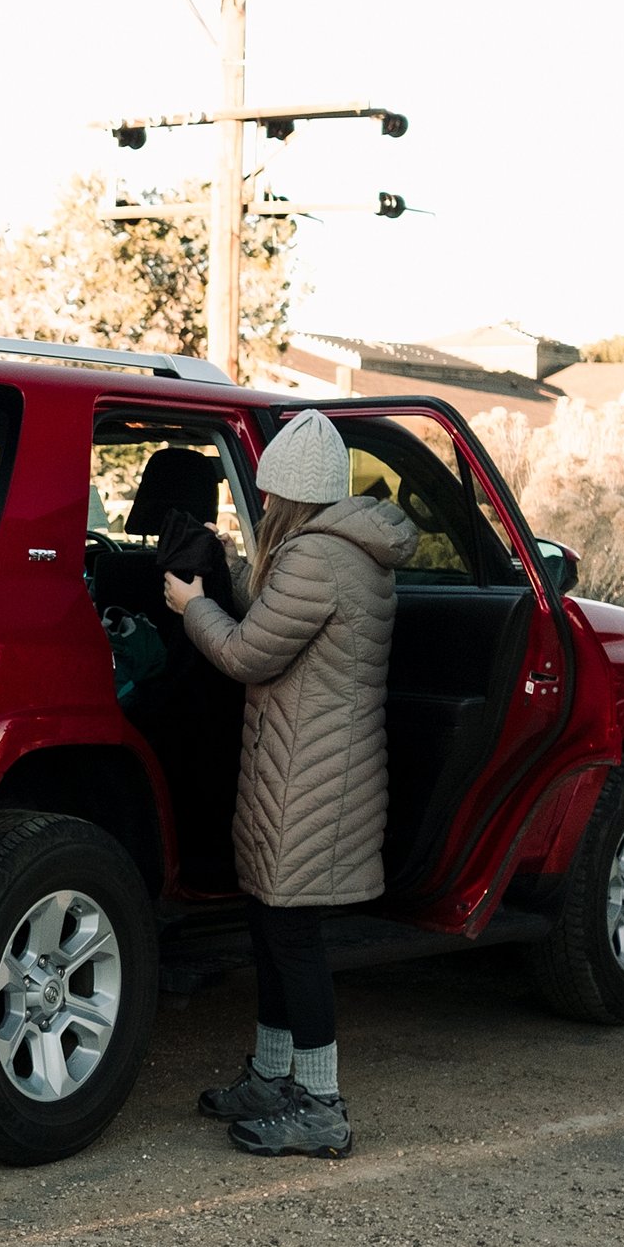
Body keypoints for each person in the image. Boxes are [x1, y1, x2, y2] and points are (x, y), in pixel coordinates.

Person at [163, 410, 417, 1158]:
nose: (263, 502)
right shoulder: (339, 551)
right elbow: (278, 616)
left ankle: (321, 1105)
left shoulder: (317, 557)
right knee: (273, 927)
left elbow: (247, 653)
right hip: (307, 768)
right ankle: (275, 1079)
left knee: (294, 938)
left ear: (290, 492)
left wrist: (192, 607)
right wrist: (228, 572)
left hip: (313, 774)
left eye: (269, 490)